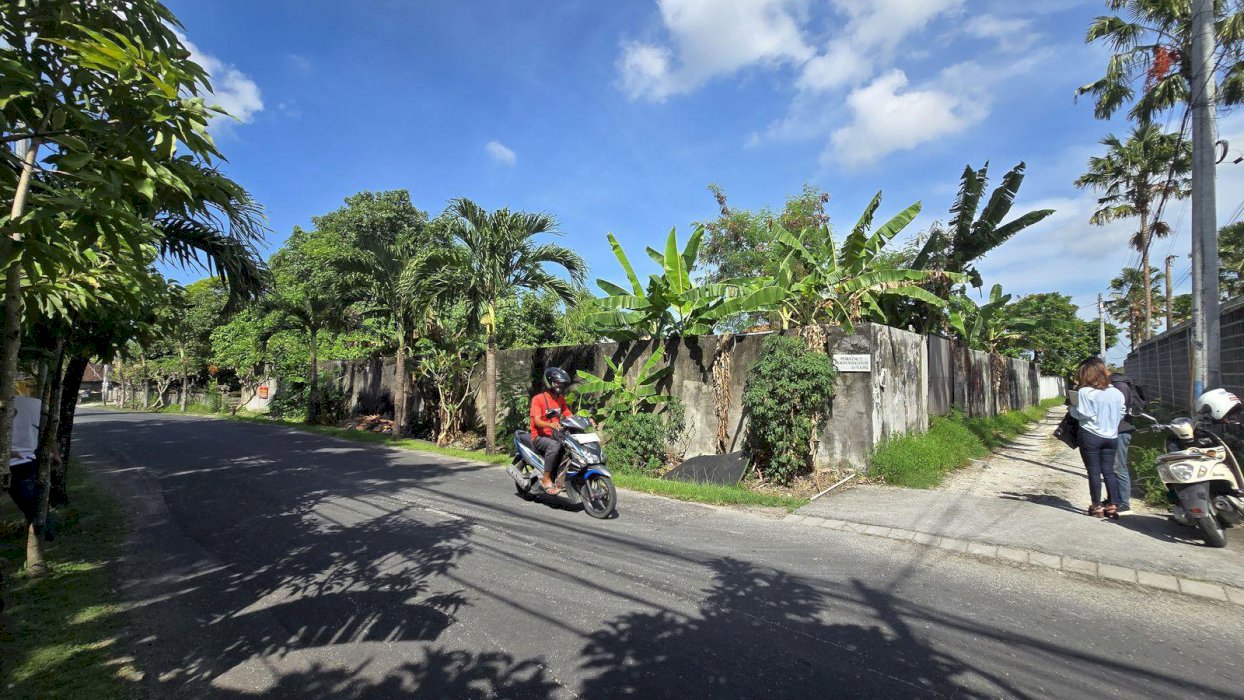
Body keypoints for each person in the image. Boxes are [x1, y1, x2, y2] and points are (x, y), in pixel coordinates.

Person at [1069, 358, 1126, 518]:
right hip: (1111, 435)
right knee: (1109, 471)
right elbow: (1122, 412)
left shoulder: (1085, 392)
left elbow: (1084, 414)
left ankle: (1097, 506)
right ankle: (1113, 505)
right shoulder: (1116, 392)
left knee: (1094, 471)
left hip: (1091, 435)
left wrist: (1072, 409)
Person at [1108, 369, 1147, 515]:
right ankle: (1115, 499)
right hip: (1117, 430)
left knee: (1119, 466)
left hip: (1121, 430)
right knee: (1112, 467)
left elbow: (1120, 410)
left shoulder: (1119, 386)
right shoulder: (1118, 384)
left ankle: (1124, 503)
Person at [530, 366, 574, 495]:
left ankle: (563, 478)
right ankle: (546, 479)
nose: (559, 385)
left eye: (562, 383)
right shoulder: (538, 399)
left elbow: (568, 414)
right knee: (554, 446)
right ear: (549, 382)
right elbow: (536, 421)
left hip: (556, 434)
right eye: (557, 382)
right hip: (539, 437)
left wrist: (585, 421)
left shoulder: (560, 398)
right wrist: (551, 425)